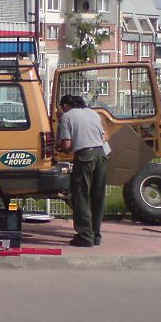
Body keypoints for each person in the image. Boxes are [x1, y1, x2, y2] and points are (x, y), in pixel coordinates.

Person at [57, 94, 109, 247]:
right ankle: (96, 235)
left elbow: (67, 145)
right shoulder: (93, 113)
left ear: (65, 106)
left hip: (85, 156)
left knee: (81, 195)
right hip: (101, 154)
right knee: (97, 196)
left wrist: (59, 147)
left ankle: (85, 236)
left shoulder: (67, 117)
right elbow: (104, 137)